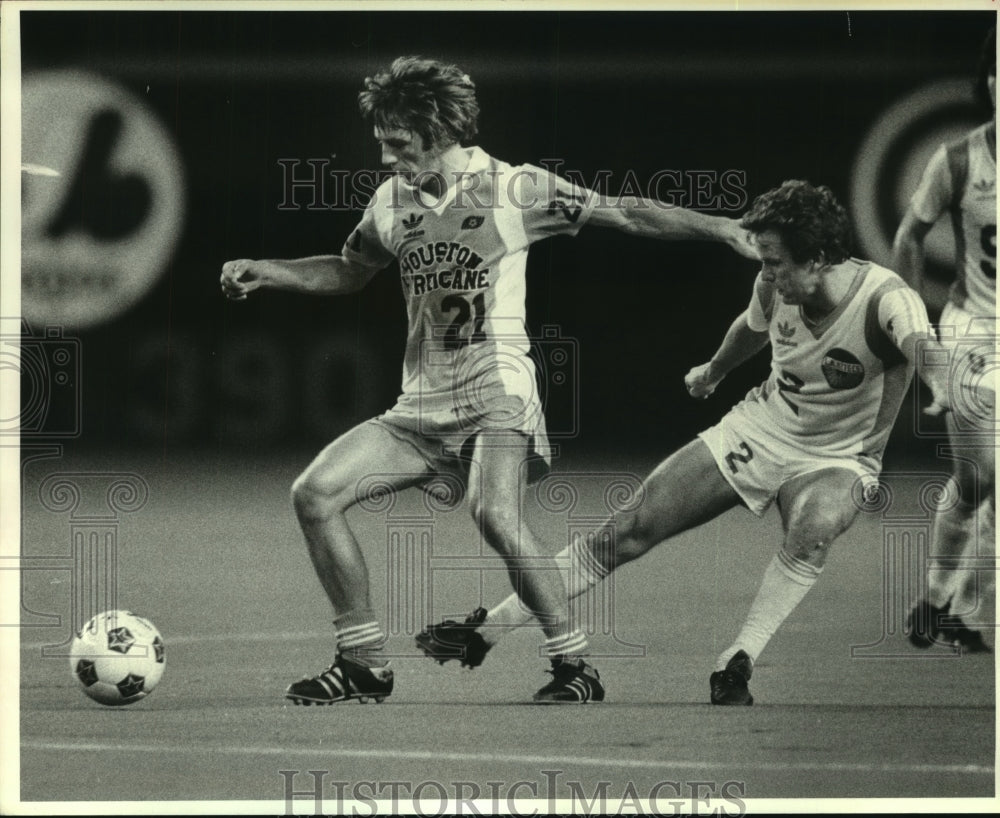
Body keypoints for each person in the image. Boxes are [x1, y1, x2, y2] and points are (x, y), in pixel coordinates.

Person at [220, 56, 754, 705]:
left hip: (497, 391)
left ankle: (575, 667)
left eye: (398, 143)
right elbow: (349, 269)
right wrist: (269, 270)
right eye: (382, 142)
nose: (386, 157)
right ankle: (362, 663)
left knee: (494, 511)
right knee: (314, 494)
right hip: (420, 406)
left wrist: (720, 227)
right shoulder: (390, 202)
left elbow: (626, 214)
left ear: (440, 130)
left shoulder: (514, 188)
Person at [417, 179, 954, 705]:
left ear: (816, 260)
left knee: (813, 530)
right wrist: (715, 370)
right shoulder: (774, 286)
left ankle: (738, 657)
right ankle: (485, 631)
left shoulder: (886, 298)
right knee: (625, 531)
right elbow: (751, 328)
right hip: (758, 430)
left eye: (776, 262)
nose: (766, 273)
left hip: (840, 457)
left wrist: (944, 387)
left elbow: (924, 349)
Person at [892, 27, 996, 654]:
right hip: (972, 332)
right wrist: (914, 333)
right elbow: (908, 236)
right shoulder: (959, 160)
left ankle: (959, 610)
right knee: (980, 479)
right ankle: (940, 595)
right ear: (989, 83)